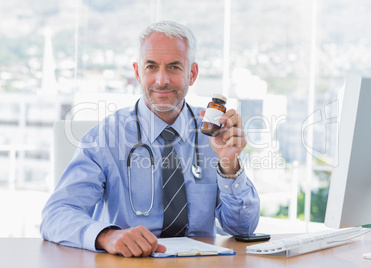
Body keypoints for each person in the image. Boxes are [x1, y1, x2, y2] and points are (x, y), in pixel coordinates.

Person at [40, 20, 260, 258]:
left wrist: (229, 165)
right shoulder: (105, 138)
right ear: (137, 72)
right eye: (151, 67)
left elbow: (243, 229)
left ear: (192, 73)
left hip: (200, 262)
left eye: (174, 67)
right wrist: (107, 236)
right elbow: (56, 214)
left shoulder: (214, 133)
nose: (161, 80)